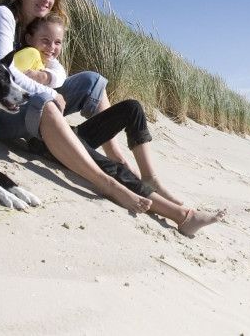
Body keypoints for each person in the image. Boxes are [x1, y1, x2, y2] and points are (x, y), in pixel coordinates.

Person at [0, 0, 223, 236]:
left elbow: (58, 71)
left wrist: (46, 76)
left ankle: (122, 159)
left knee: (92, 80)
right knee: (48, 103)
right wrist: (49, 92)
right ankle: (108, 184)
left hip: (16, 104)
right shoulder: (1, 16)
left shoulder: (34, 30)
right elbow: (2, 72)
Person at [19, 13, 185, 204]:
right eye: (45, 41)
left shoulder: (48, 65)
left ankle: (149, 177)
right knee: (113, 167)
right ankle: (173, 211)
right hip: (47, 142)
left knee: (133, 107)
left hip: (67, 132)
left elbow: (60, 74)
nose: (51, 48)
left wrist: (47, 79)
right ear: (29, 38)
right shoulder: (26, 59)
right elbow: (13, 82)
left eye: (57, 42)